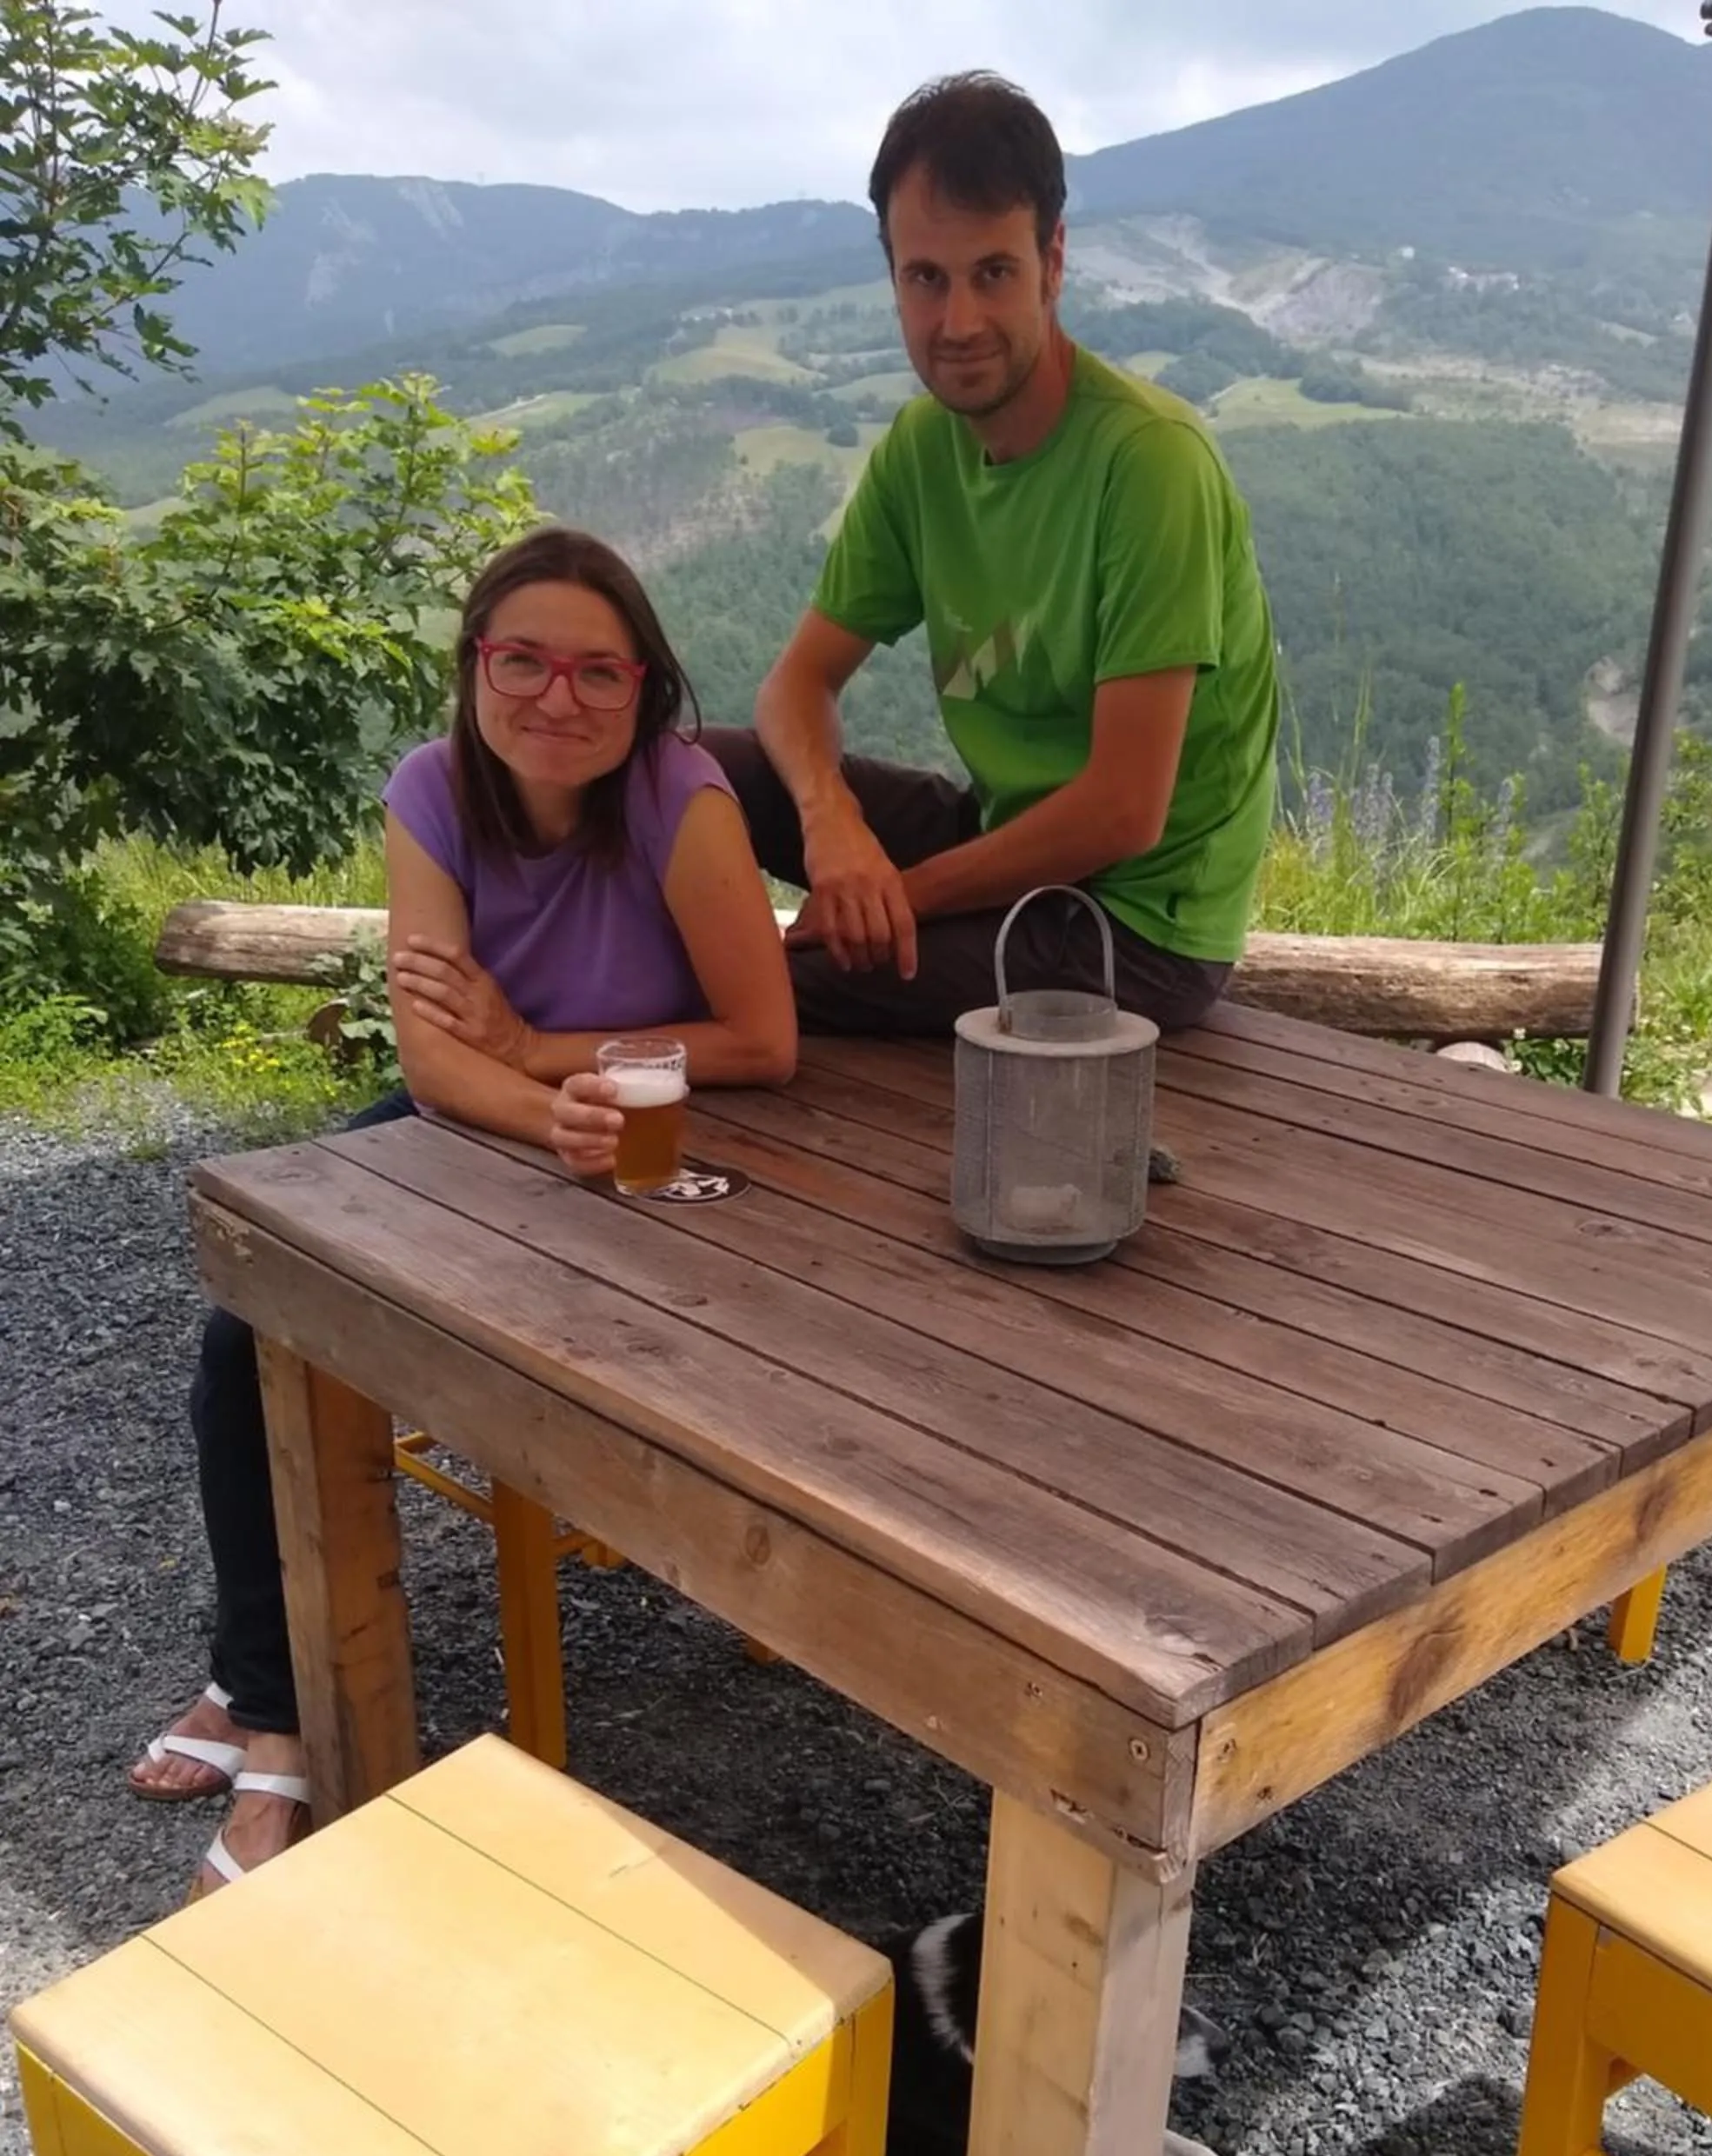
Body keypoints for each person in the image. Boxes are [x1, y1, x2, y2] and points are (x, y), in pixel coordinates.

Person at [132, 524, 796, 1894]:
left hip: (651, 1130)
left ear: (646, 691)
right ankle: (276, 1706)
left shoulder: (683, 796)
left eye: (599, 673)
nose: (559, 699)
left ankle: (255, 1692)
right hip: (491, 1123)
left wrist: (544, 1055)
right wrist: (529, 1100)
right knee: (244, 1329)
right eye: (525, 662)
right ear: (475, 669)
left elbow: (760, 1041)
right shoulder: (432, 792)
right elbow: (433, 1066)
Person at [701, 70, 1279, 1038]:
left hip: (1133, 926)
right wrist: (831, 823)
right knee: (693, 772)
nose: (958, 322)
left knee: (750, 974)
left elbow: (1122, 813)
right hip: (1006, 841)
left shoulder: (1149, 465)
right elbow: (795, 688)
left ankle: (511, 1086)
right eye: (926, 278)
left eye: (993, 273)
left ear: (1053, 262)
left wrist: (897, 898)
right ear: (892, 276)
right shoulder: (926, 449)